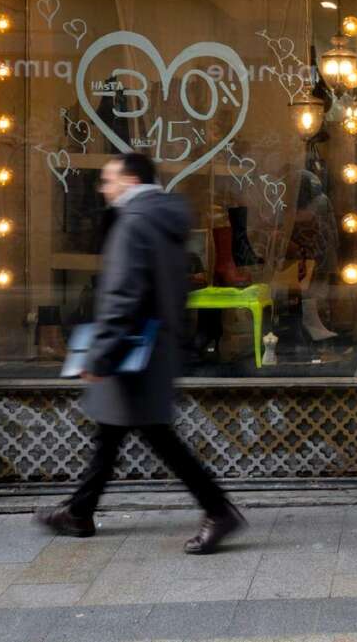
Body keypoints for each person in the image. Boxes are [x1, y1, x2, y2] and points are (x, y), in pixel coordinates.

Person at [36, 153, 247, 555]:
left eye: (109, 180)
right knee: (111, 432)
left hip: (132, 350)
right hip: (153, 345)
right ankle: (80, 512)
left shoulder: (134, 222)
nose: (103, 188)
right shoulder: (165, 219)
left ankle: (219, 511)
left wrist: (100, 357)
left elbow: (123, 294)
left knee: (158, 437)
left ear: (131, 180)